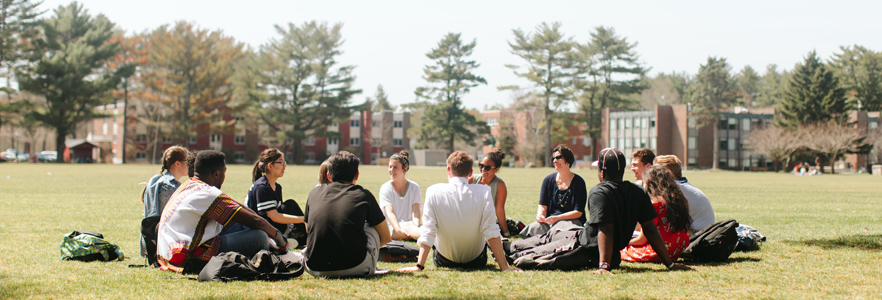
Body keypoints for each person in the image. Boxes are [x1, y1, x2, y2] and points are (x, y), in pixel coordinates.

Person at [506, 148, 695, 273]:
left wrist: (603, 266)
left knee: (531, 257)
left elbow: (606, 228)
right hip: (590, 243)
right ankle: (507, 246)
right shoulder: (637, 191)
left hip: (585, 248)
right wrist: (669, 263)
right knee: (550, 237)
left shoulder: (600, 191)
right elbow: (651, 230)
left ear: (602, 172)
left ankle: (509, 249)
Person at [156, 150, 287, 274]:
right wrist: (281, 240)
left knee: (239, 222)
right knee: (260, 237)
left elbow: (237, 206)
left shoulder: (189, 185)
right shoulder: (207, 193)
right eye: (224, 171)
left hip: (168, 254)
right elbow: (256, 222)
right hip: (191, 258)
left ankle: (272, 252)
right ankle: (280, 255)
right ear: (217, 174)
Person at [396, 151, 521, 272]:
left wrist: (419, 265)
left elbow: (429, 230)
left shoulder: (432, 191)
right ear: (471, 172)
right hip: (476, 260)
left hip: (444, 260)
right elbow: (491, 231)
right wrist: (504, 267)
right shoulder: (484, 192)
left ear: (448, 170)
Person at [302, 151, 391, 278]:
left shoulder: (314, 193)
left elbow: (308, 229)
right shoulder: (363, 195)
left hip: (314, 267)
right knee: (372, 226)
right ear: (357, 175)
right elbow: (386, 237)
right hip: (355, 266)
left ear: (328, 175)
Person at [621, 165, 692, 263]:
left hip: (659, 252)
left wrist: (626, 243)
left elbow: (642, 240)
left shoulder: (653, 205)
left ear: (649, 183)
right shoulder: (680, 199)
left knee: (621, 251)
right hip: (676, 250)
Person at [520, 145, 587, 238]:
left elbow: (578, 212)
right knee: (534, 228)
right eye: (553, 158)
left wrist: (557, 218)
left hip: (570, 221)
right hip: (550, 220)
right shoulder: (548, 180)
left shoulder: (578, 182)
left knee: (560, 231)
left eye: (558, 157)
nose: (555, 161)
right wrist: (540, 215)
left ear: (568, 159)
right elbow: (543, 205)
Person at [246, 148, 306, 248]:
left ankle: (302, 238)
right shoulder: (262, 187)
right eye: (281, 162)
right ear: (270, 166)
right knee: (290, 208)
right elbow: (275, 217)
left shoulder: (277, 187)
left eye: (284, 162)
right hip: (259, 230)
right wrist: (304, 219)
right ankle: (285, 240)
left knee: (290, 204)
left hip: (270, 225)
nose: (285, 166)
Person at [140, 146, 188, 265]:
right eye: (187, 161)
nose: (189, 165)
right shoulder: (169, 187)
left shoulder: (156, 180)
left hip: (149, 245)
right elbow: (170, 219)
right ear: (177, 164)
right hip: (163, 245)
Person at [653, 155, 715, 235]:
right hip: (702, 233)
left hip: (697, 236)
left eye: (656, 171)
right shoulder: (682, 186)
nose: (652, 174)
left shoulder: (674, 189)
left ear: (668, 173)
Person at [378, 151, 422, 241]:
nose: (391, 170)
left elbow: (416, 211)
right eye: (390, 167)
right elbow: (390, 213)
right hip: (391, 227)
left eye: (395, 167)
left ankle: (417, 233)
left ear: (404, 169)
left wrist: (415, 225)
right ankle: (426, 237)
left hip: (411, 226)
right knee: (408, 227)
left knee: (411, 226)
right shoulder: (385, 188)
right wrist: (398, 230)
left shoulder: (414, 187)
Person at [469, 148, 512, 237]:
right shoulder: (471, 179)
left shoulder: (499, 185)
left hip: (486, 222)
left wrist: (506, 232)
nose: (483, 169)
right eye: (481, 165)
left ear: (496, 169)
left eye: (487, 167)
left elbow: (499, 210)